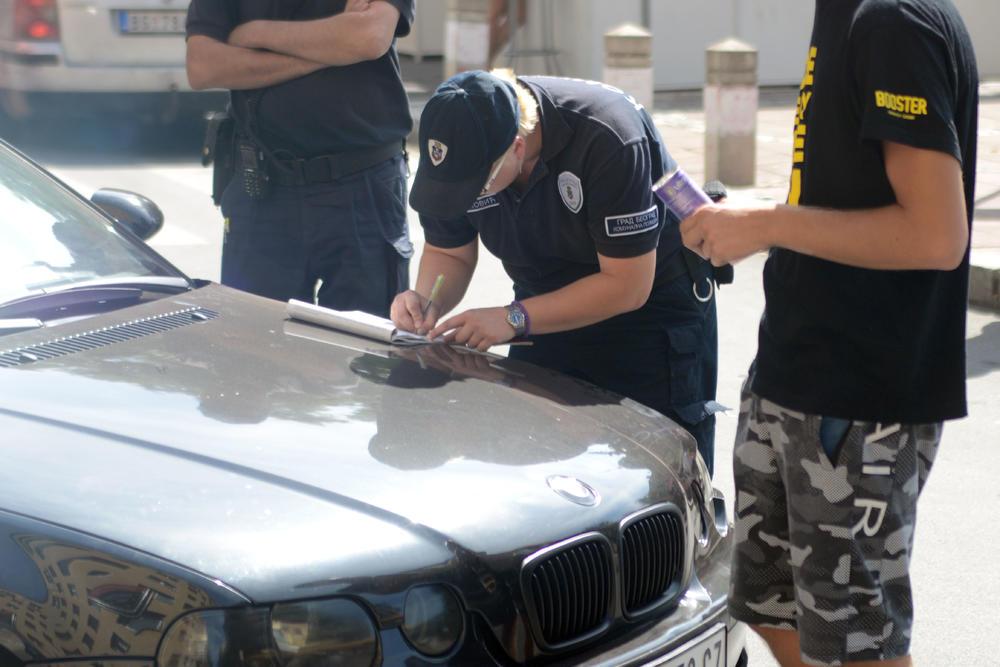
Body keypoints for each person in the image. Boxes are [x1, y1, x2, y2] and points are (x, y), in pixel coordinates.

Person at [680, 1, 978, 665]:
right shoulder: (843, 12)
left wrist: (766, 224)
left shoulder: (892, 19)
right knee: (770, 606)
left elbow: (936, 234)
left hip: (858, 398)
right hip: (793, 368)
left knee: (854, 645)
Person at [390, 68, 723, 474]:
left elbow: (628, 286)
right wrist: (426, 300)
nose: (467, 197)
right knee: (542, 466)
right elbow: (451, 253)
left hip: (650, 318)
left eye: (475, 187)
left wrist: (514, 317)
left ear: (516, 147)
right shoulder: (463, 146)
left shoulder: (608, 135)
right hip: (541, 312)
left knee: (654, 472)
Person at [185, 0, 414, 317]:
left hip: (363, 187)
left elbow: (368, 37)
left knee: (366, 357)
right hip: (263, 192)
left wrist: (258, 33)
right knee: (259, 346)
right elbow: (203, 66)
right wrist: (331, 52)